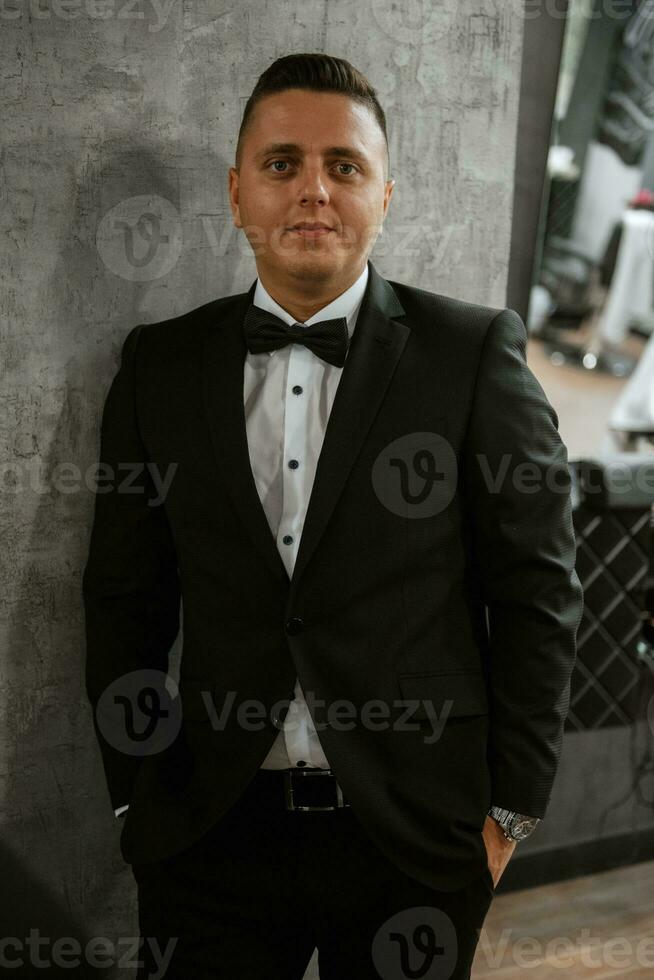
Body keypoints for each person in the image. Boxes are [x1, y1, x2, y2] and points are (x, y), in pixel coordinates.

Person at [82, 52, 584, 980]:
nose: (313, 189)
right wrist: (133, 802)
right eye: (282, 165)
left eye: (343, 166)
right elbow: (123, 601)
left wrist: (509, 812)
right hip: (209, 836)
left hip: (413, 839)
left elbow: (537, 596)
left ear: (384, 192)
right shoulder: (159, 367)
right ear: (237, 194)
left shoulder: (474, 355)